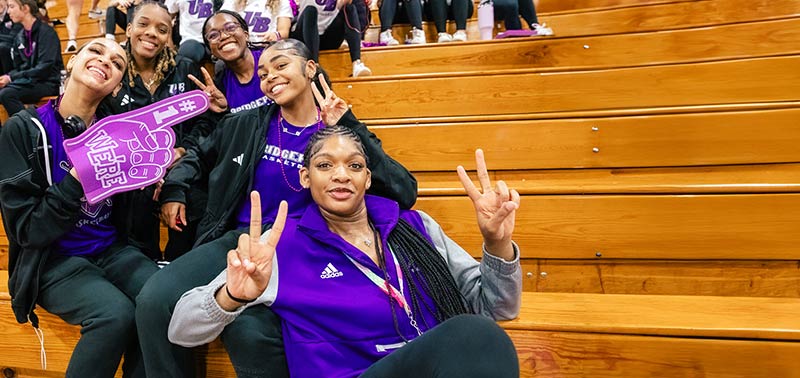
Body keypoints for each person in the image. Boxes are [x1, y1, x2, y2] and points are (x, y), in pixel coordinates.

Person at [136, 38, 418, 378]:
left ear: (310, 68)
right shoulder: (246, 123)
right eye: (264, 74)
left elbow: (404, 191)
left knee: (248, 332)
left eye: (281, 66)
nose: (270, 78)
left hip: (307, 248)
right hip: (243, 240)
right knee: (153, 300)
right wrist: (175, 191)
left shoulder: (341, 134)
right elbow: (197, 156)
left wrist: (349, 123)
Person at [169, 127, 522, 377]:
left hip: (430, 365)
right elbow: (181, 330)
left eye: (354, 166)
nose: (341, 175)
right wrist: (230, 295)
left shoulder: (415, 227)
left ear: (367, 178)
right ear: (306, 178)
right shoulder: (280, 244)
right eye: (325, 165)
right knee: (477, 336)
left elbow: (497, 307)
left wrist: (496, 244)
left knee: (481, 336)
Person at [0, 38, 159, 378]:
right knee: (115, 314)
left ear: (117, 85)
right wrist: (77, 178)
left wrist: (151, 183)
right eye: (96, 52)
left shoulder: (121, 133)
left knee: (162, 301)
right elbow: (26, 230)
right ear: (72, 63)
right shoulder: (23, 130)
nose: (106, 61)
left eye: (117, 63)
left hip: (111, 250)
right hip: (50, 260)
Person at [98, 1, 218, 261]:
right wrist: (150, 167)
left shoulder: (184, 68)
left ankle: (178, 266)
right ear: (128, 29)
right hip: (132, 173)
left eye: (161, 29)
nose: (152, 33)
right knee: (134, 205)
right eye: (143, 24)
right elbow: (107, 134)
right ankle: (144, 264)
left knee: (196, 200)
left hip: (182, 165)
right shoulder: (112, 74)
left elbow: (205, 123)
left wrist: (181, 151)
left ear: (169, 36)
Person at [200, 10, 272, 114]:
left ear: (246, 35)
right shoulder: (220, 86)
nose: (224, 36)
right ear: (211, 50)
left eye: (230, 28)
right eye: (213, 35)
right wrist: (223, 111)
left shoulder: (272, 58)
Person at [0, 0, 61, 119]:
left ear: (25, 8)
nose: (9, 11)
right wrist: (8, 77)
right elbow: (19, 67)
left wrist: (12, 78)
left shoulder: (47, 33)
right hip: (29, 81)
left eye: (12, 7)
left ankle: (31, 128)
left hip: (47, 82)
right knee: (4, 92)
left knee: (7, 94)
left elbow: (45, 68)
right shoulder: (20, 36)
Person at [292, 0, 372, 77]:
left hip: (327, 35)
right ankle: (315, 66)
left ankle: (356, 63)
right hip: (305, 36)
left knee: (349, 7)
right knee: (310, 10)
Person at [221, 0, 292, 45]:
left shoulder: (282, 2)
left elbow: (284, 31)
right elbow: (220, 20)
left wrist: (275, 35)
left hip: (266, 48)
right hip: (240, 46)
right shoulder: (232, 2)